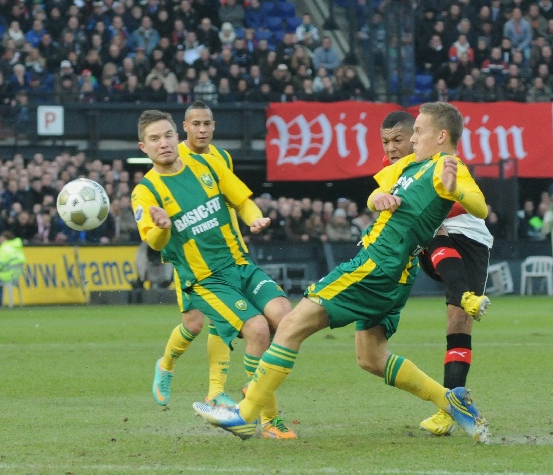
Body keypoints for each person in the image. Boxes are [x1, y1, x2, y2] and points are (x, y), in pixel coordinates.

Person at [193, 102, 491, 443]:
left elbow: (479, 206)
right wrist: (377, 199)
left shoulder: (444, 168)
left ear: (440, 136)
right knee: (371, 357)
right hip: (392, 274)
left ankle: (246, 416)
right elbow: (378, 192)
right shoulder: (410, 166)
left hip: (375, 265)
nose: (410, 141)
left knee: (290, 325)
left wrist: (456, 192)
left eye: (417, 132)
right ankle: (452, 404)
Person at [132, 109, 297, 439]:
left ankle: (251, 397)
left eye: (167, 136)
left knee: (286, 318)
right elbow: (153, 239)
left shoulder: (208, 164)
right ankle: (268, 419)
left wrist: (254, 218)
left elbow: (241, 199)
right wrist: (163, 227)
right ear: (143, 148)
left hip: (239, 264)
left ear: (178, 138)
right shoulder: (145, 191)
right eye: (154, 139)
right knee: (256, 330)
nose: (163, 143)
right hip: (205, 280)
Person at [379, 110, 492, 437]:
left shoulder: (442, 163)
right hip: (434, 241)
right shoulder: (395, 172)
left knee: (458, 323)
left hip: (471, 238)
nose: (394, 147)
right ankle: (464, 295)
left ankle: (449, 408)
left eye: (400, 139)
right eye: (386, 142)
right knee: (427, 224)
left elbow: (470, 203)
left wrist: (443, 195)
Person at [149, 101, 250, 410]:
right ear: (185, 127)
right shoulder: (173, 158)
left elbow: (229, 199)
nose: (202, 129)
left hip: (224, 254)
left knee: (223, 319)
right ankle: (165, 365)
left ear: (214, 125)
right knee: (193, 324)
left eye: (207, 124)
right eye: (196, 124)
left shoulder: (222, 158)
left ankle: (215, 391)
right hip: (190, 257)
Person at [0, 231, 25, 307]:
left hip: (5, 275)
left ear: (5, 239)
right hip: (14, 275)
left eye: (1, 237)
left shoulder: (6, 248)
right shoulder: (16, 247)